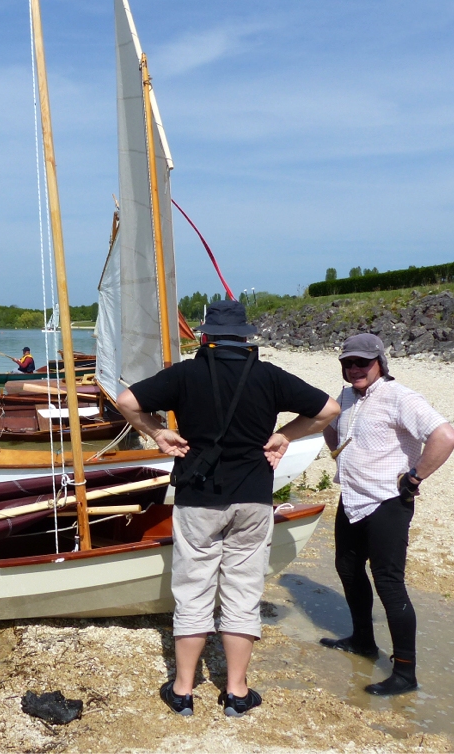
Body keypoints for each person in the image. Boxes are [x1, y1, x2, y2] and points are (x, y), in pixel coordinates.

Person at [117, 300, 339, 717]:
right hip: (253, 495)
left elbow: (126, 400)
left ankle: (183, 690)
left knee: (193, 589)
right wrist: (284, 434)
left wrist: (159, 432)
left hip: (198, 497)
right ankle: (236, 692)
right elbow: (329, 410)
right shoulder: (268, 375)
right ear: (247, 337)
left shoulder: (186, 372)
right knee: (243, 590)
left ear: (205, 336)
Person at [320, 333, 454, 696]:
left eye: (362, 363)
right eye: (348, 363)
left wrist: (414, 479)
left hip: (388, 503)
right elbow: (330, 426)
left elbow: (446, 436)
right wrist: (337, 451)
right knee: (348, 569)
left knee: (389, 583)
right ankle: (363, 641)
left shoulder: (400, 397)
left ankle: (405, 673)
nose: (354, 369)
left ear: (380, 361)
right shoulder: (347, 395)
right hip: (352, 499)